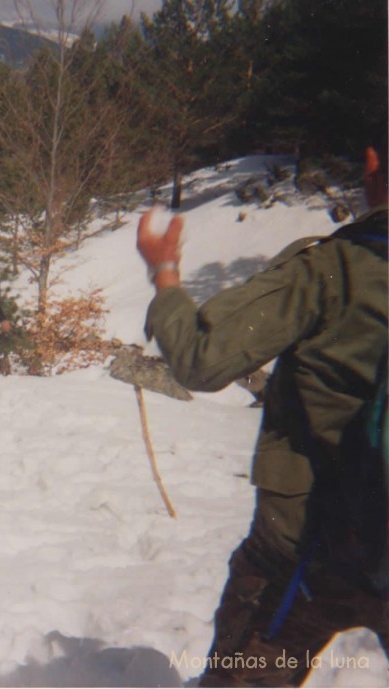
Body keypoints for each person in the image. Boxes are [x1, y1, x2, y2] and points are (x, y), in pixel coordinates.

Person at [136, 145, 388, 687]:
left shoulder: (336, 269)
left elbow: (203, 360)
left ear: (371, 169)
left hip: (308, 546)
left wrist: (165, 273)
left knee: (246, 672)